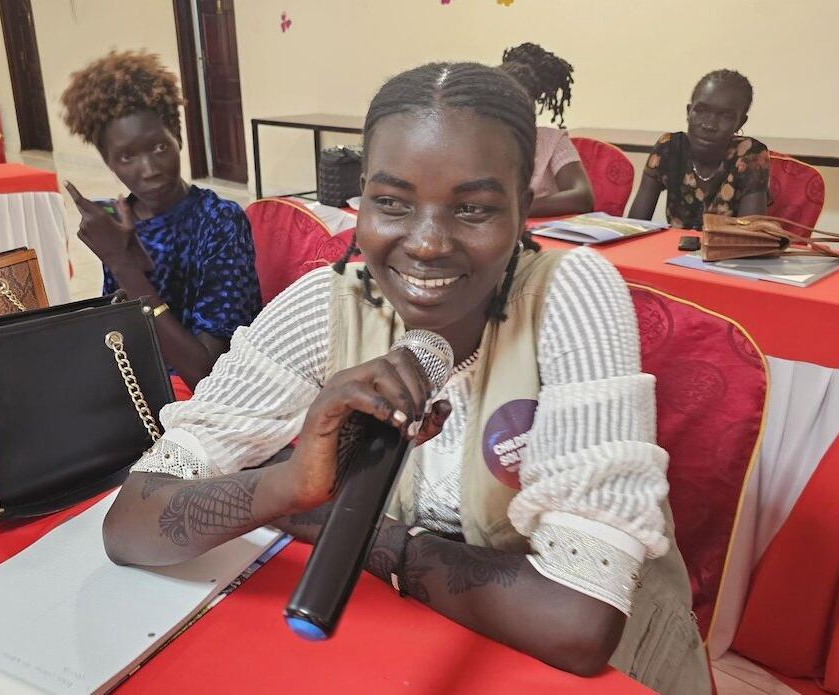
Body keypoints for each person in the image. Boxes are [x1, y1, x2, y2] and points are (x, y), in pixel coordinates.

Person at [101, 62, 709, 692]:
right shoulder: (328, 303)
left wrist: (353, 529)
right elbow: (131, 526)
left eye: (472, 208)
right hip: (417, 648)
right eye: (391, 202)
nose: (424, 243)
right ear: (359, 200)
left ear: (524, 208)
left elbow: (576, 623)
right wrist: (289, 483)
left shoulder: (569, 295)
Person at [60, 51, 261, 392]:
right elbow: (121, 336)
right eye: (127, 157)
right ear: (109, 163)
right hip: (135, 388)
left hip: (205, 401)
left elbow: (206, 373)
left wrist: (123, 264)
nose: (149, 170)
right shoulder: (119, 221)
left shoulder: (220, 222)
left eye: (158, 147)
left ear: (178, 138)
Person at [628, 69, 770, 229]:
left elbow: (750, 240)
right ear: (689, 112)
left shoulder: (750, 155)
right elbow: (633, 227)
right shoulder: (669, 148)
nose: (709, 125)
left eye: (725, 116)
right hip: (672, 252)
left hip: (728, 253)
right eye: (701, 111)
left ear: (740, 123)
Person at [500, 42, 594, 217]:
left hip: (544, 234)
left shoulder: (552, 140)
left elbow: (583, 197)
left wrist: (516, 209)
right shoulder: (480, 143)